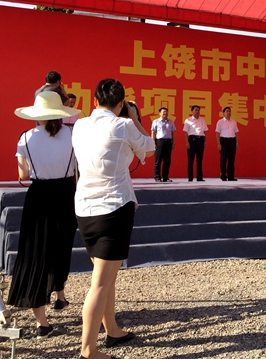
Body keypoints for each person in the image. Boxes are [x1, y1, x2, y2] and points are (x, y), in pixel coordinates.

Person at [72, 78, 155, 359]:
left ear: (95, 101)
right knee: (100, 283)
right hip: (113, 209)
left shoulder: (80, 125)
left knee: (105, 277)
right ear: (121, 103)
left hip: (85, 209)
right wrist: (134, 118)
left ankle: (113, 329)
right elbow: (150, 147)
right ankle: (88, 350)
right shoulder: (124, 125)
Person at [7, 91, 80, 339]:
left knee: (36, 253)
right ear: (60, 113)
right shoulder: (72, 134)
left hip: (39, 195)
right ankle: (60, 295)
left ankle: (42, 323)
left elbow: (23, 175)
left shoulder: (26, 137)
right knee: (62, 246)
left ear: (37, 114)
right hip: (66, 193)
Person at [151, 107, 176, 182]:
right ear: (159, 113)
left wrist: (173, 142)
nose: (165, 113)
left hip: (168, 141)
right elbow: (153, 132)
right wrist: (153, 142)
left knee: (167, 161)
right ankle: (157, 177)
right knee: (158, 160)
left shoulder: (171, 121)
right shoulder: (156, 121)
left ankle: (165, 177)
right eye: (164, 112)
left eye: (166, 112)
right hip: (160, 141)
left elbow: (173, 132)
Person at [183, 105, 208, 182]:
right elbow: (185, 132)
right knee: (191, 160)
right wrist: (187, 142)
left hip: (201, 140)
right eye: (196, 110)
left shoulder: (202, 120)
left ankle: (199, 177)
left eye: (198, 110)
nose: (197, 111)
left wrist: (205, 141)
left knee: (199, 160)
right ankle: (190, 178)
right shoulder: (188, 120)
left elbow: (205, 131)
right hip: (192, 140)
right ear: (192, 111)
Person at [215, 106, 239, 181]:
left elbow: (236, 133)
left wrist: (236, 143)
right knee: (223, 159)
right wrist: (218, 143)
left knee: (231, 159)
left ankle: (231, 176)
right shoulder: (220, 122)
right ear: (223, 113)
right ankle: (223, 175)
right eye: (227, 111)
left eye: (229, 111)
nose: (228, 113)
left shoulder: (234, 122)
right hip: (224, 141)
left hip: (232, 141)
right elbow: (217, 133)